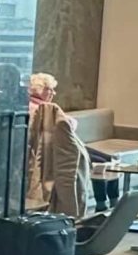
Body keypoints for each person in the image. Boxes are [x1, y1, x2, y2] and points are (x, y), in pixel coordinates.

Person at [25, 71, 93, 221]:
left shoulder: (41, 107)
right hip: (52, 151)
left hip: (54, 149)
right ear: (38, 89)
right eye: (50, 89)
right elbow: (70, 124)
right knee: (92, 157)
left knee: (97, 156)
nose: (53, 93)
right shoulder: (43, 109)